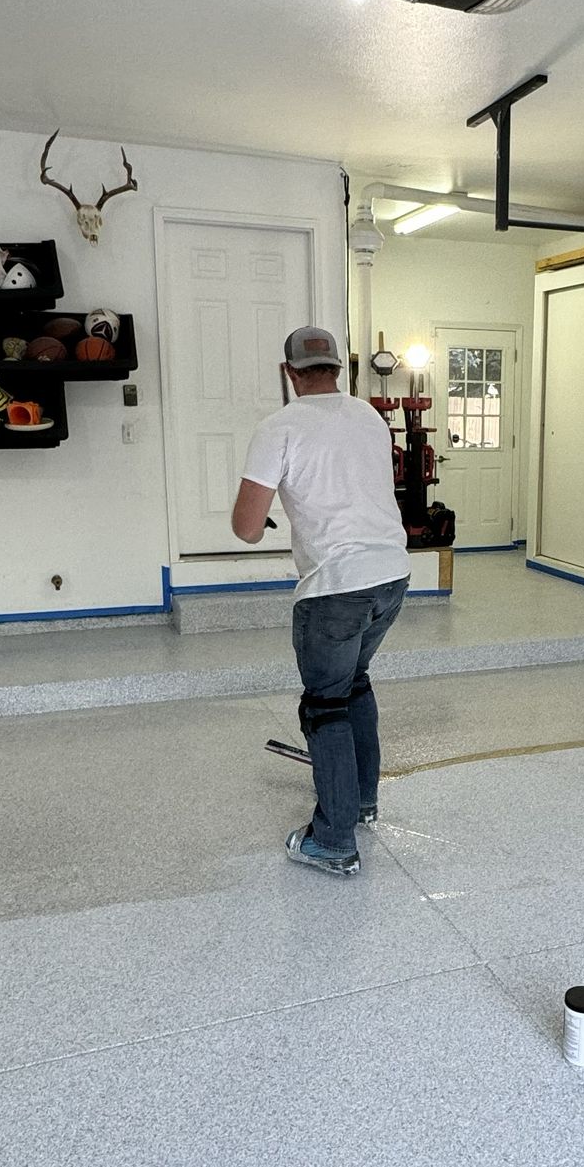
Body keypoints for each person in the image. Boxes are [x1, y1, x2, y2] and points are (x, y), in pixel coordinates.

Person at [232, 325, 410, 878]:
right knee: (354, 684)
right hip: (392, 576)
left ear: (289, 373)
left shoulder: (278, 428)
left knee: (325, 704)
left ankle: (332, 841)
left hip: (335, 587)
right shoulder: (370, 417)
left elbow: (245, 527)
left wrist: (265, 514)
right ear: (339, 368)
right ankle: (360, 802)